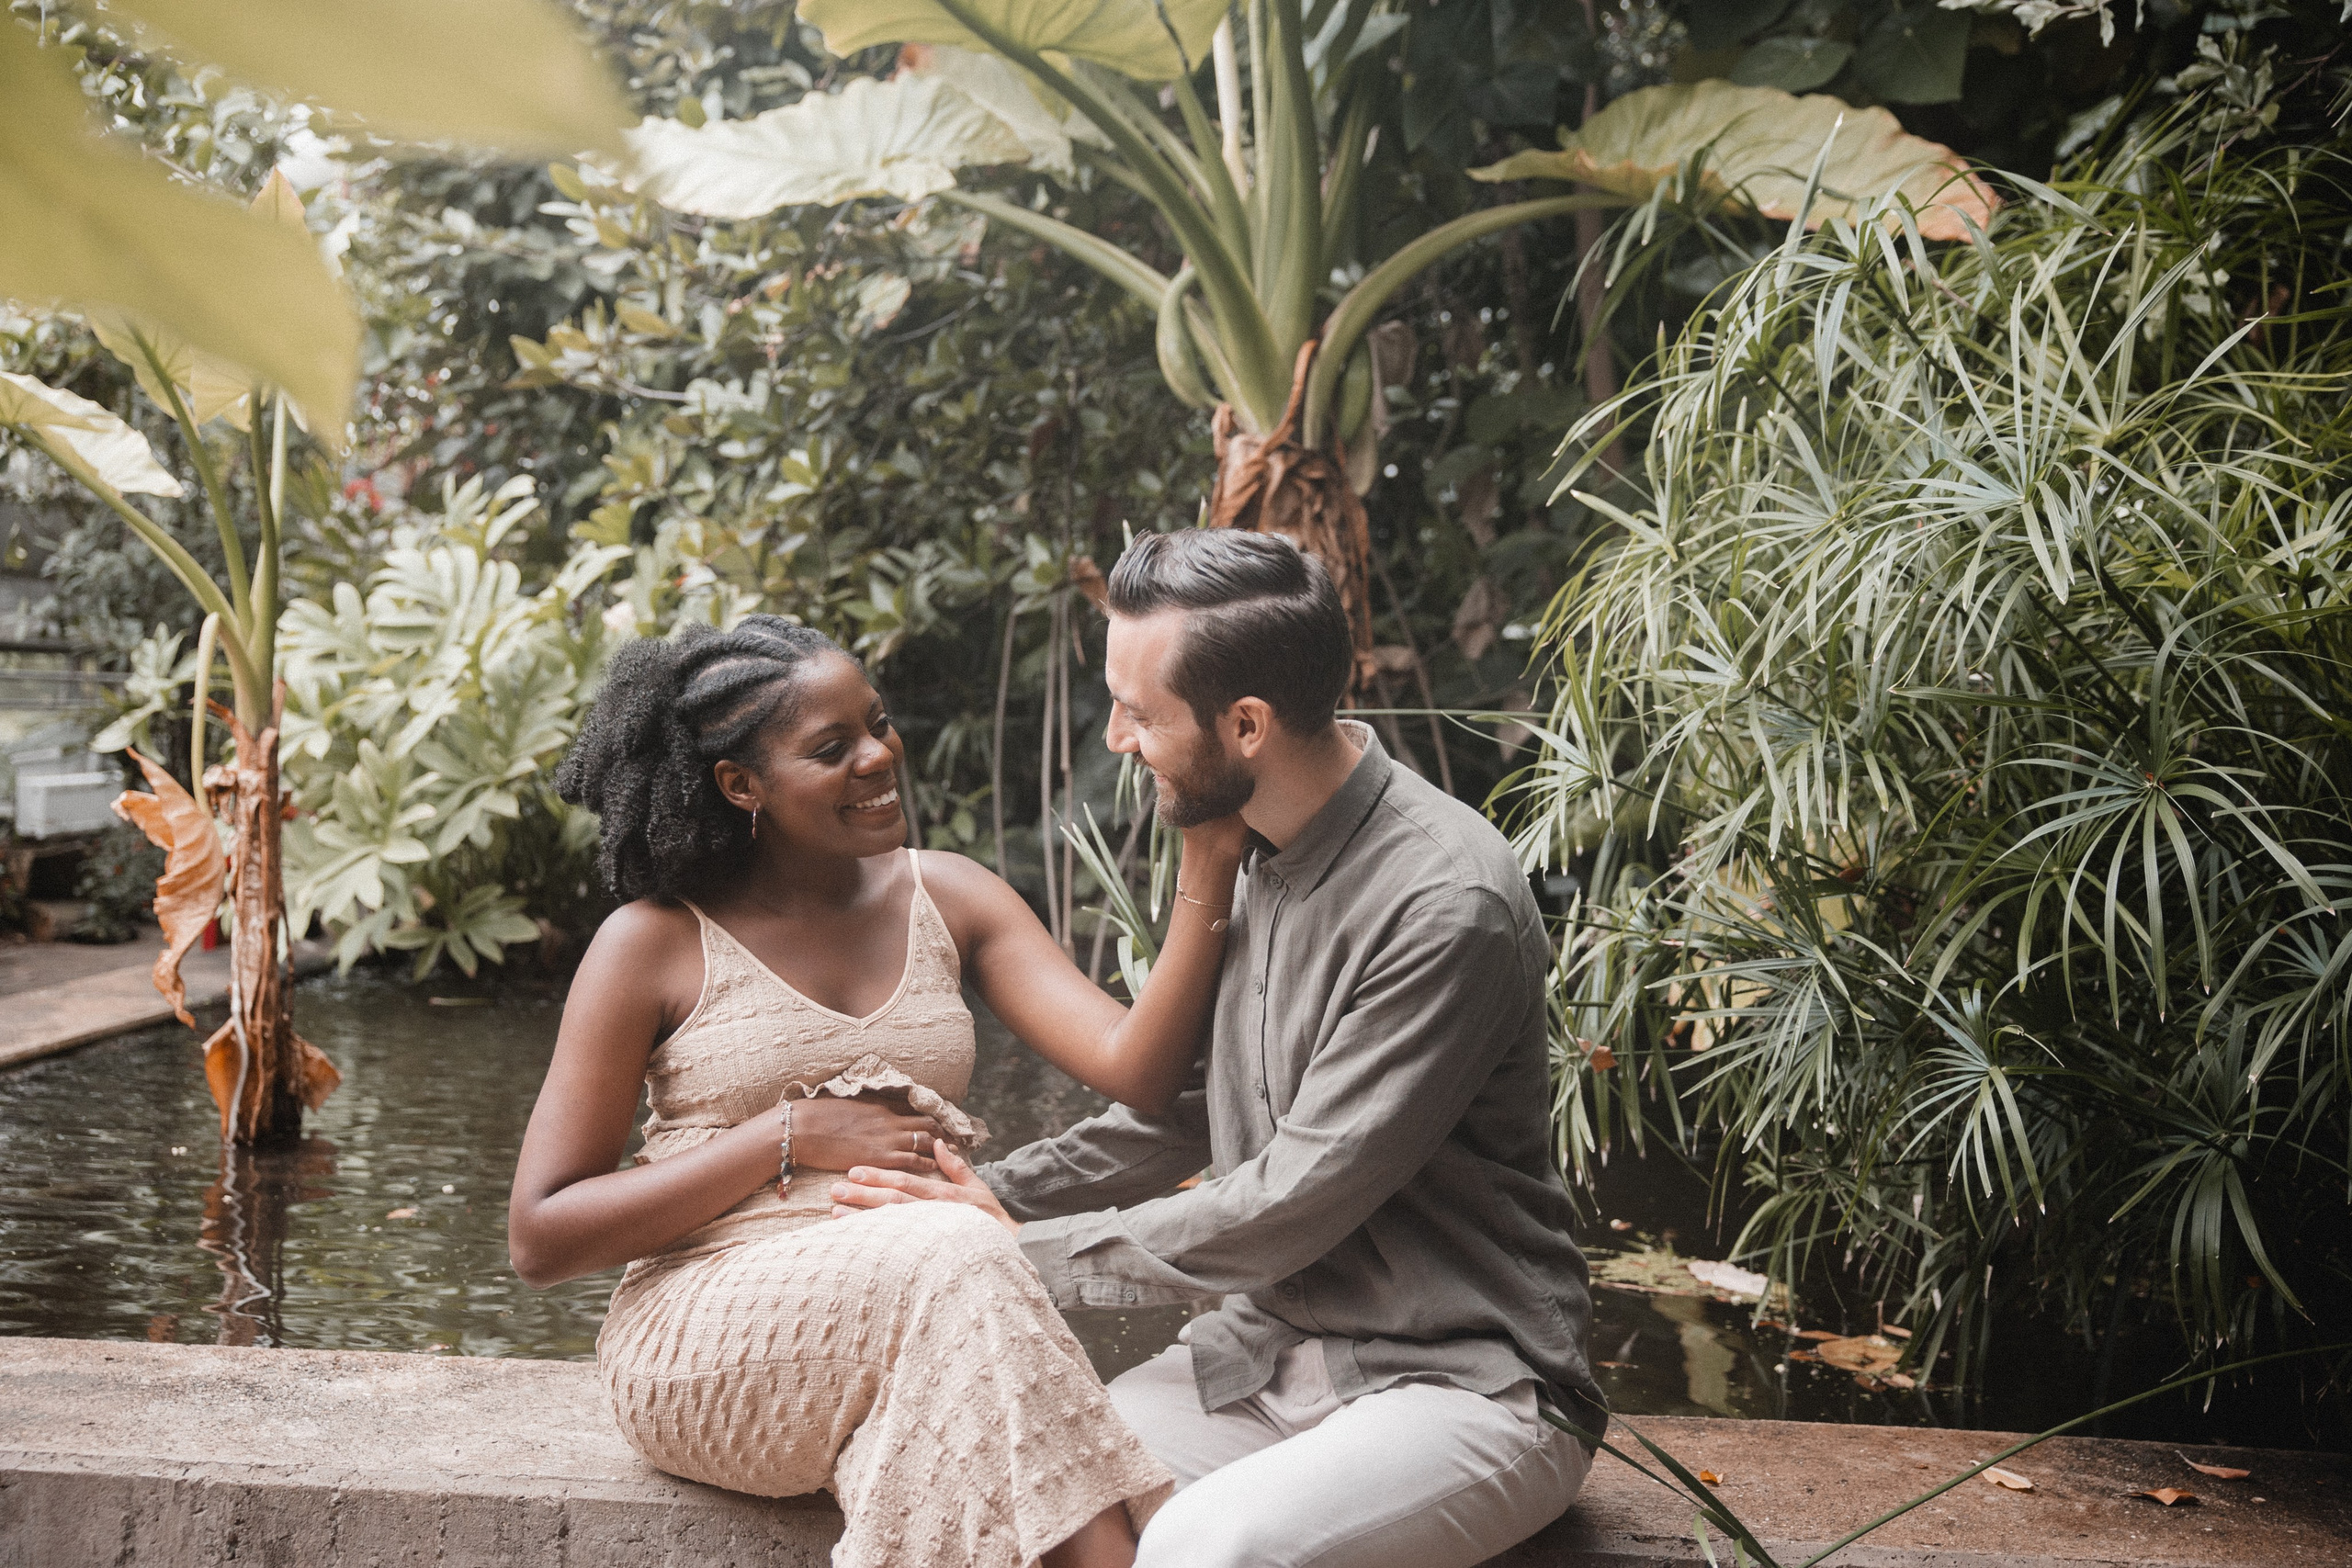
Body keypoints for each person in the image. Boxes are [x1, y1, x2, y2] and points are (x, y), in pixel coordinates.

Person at [831, 530, 1608, 1568]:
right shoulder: (1249, 844)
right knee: (1013, 1488)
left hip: (1465, 1383)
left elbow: (1293, 1200)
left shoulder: (1443, 903)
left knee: (1206, 1547)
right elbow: (1183, 1111)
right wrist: (973, 1197)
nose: (1117, 738)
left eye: (1140, 713)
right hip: (1264, 1359)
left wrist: (1019, 1253)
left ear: (1245, 724)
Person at [507, 615, 1246, 1568]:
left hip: (934, 1312)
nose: (878, 755)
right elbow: (541, 1237)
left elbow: (1135, 1066)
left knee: (965, 1325)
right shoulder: (653, 942)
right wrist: (786, 1133)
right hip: (707, 1334)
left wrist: (1207, 862)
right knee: (964, 1246)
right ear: (741, 785)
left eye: (878, 722)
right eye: (831, 748)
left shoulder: (952, 897)